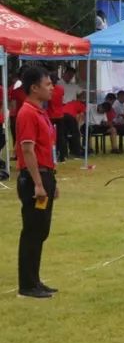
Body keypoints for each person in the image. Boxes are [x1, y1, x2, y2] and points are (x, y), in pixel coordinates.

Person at [15, 67, 59, 298]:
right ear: (34, 88)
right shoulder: (27, 113)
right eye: (48, 84)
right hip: (34, 177)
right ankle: (27, 285)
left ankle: (35, 280)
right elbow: (27, 150)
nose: (52, 88)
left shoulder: (41, 112)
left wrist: (52, 180)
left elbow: (45, 149)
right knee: (32, 230)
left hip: (45, 174)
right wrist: (38, 184)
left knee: (41, 230)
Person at [47, 72, 83, 161]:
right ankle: (63, 155)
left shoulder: (49, 90)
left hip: (51, 115)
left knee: (51, 136)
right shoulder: (60, 89)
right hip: (60, 114)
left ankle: (53, 154)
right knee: (61, 136)